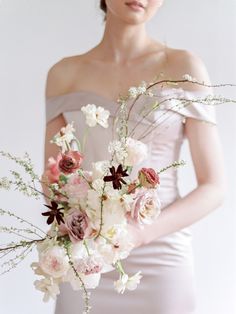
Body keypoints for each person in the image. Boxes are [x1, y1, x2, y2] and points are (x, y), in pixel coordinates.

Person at [43, 1, 227, 313]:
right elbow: (53, 179)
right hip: (88, 258)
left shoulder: (184, 67)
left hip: (162, 258)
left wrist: (138, 233)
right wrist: (78, 226)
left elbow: (214, 187)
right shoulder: (64, 74)